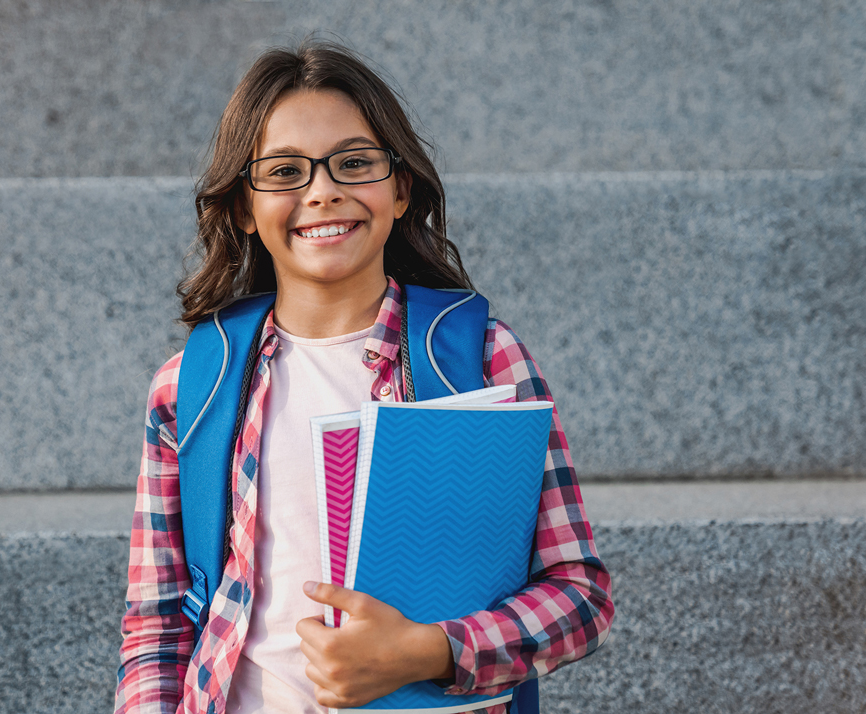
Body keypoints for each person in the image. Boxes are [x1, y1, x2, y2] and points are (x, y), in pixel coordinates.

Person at [115, 41, 613, 714]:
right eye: (284, 171)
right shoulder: (190, 387)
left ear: (401, 188)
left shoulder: (481, 362)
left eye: (354, 163)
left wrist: (435, 650)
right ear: (241, 206)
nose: (322, 190)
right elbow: (158, 620)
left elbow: (578, 591)